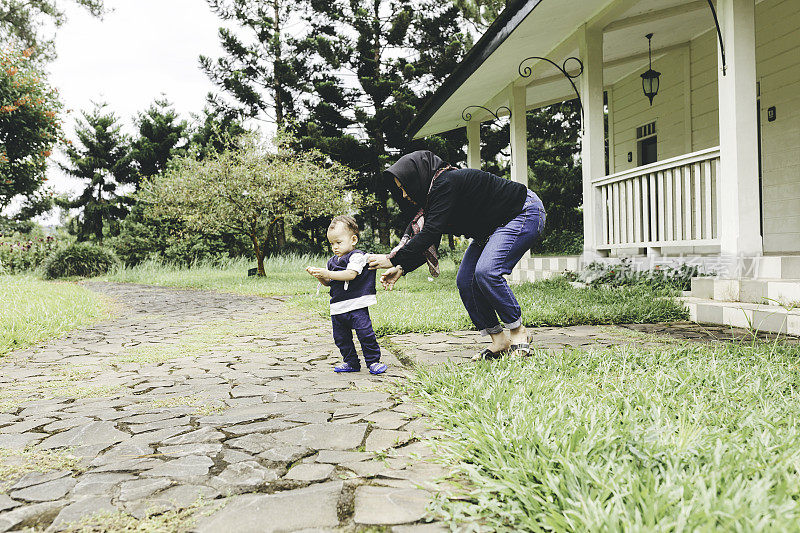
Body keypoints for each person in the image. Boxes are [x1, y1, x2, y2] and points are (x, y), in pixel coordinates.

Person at [368, 150, 546, 360]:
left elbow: (430, 233)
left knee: (487, 272)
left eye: (405, 187)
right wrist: (402, 267)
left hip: (523, 211)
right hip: (491, 228)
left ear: (417, 177)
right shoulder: (433, 200)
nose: (405, 195)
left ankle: (518, 332)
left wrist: (392, 259)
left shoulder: (446, 183)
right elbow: (429, 238)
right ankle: (500, 341)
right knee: (466, 281)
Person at [306, 215, 388, 375]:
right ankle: (351, 361)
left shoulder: (357, 257)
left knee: (365, 334)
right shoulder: (332, 261)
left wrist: (327, 272)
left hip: (356, 305)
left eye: (338, 242)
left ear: (353, 240)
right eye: (331, 243)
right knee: (341, 338)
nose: (335, 247)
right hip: (338, 307)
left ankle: (373, 361)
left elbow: (350, 274)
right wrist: (321, 276)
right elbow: (330, 282)